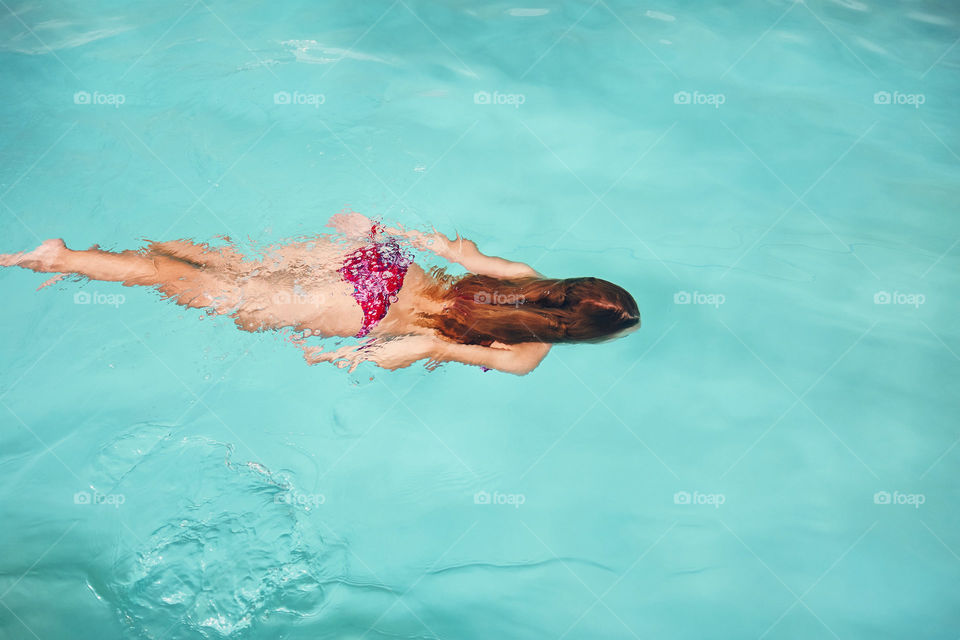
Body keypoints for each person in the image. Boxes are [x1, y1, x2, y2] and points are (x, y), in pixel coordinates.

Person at [0, 213, 640, 375]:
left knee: (236, 264)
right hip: (359, 311)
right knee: (195, 289)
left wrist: (379, 232)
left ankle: (117, 249)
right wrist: (347, 358)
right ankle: (64, 258)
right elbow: (417, 349)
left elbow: (452, 249)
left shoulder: (522, 273)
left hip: (384, 266)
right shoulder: (525, 355)